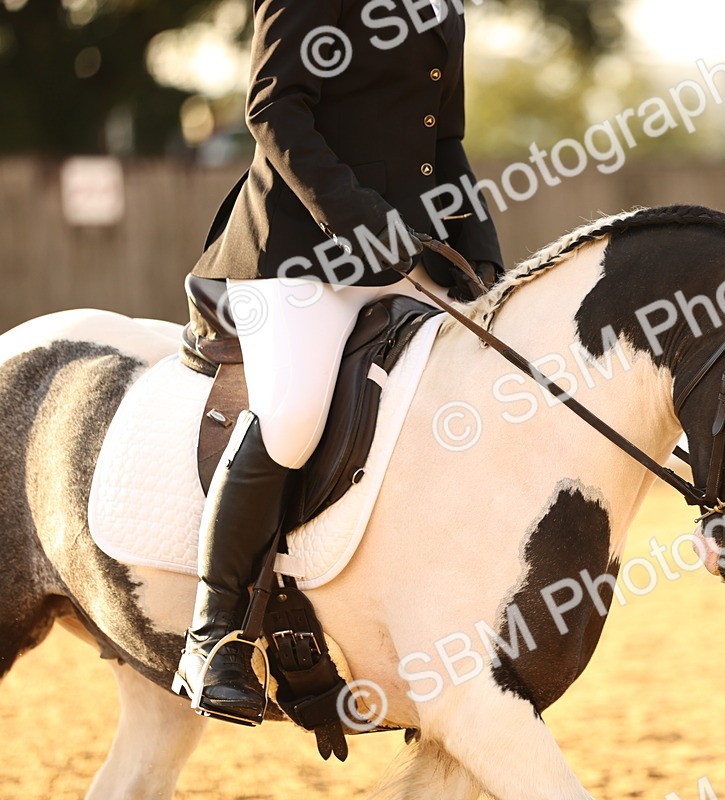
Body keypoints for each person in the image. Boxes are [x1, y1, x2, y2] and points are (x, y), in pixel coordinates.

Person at [173, 0, 503, 724]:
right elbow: (274, 110)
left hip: (405, 252)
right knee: (292, 417)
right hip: (298, 251)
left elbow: (443, 143)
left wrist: (481, 253)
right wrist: (356, 219)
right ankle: (215, 635)